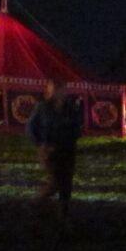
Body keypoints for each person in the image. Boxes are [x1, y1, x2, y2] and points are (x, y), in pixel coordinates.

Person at [26, 78, 82, 219]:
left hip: (67, 149)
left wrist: (72, 138)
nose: (57, 92)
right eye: (54, 89)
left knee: (67, 182)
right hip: (49, 150)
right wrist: (41, 144)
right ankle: (36, 203)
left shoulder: (70, 108)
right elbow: (31, 127)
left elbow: (77, 127)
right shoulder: (42, 108)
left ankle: (63, 214)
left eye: (60, 89)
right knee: (55, 182)